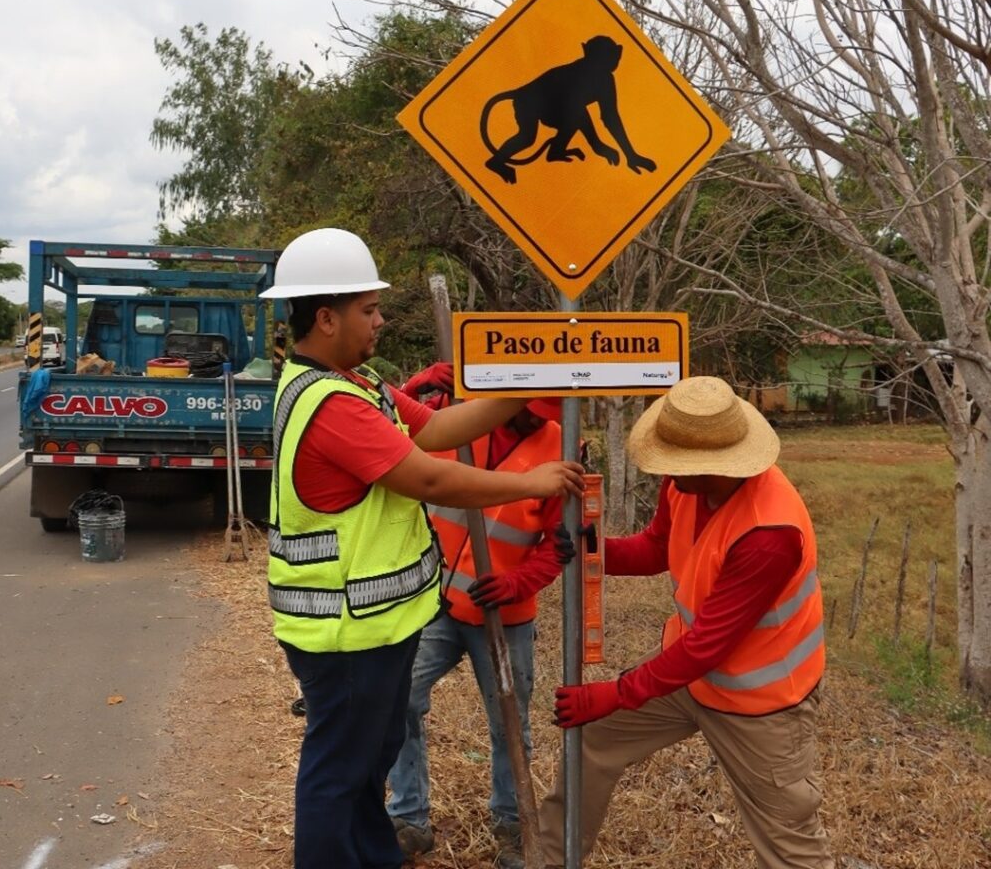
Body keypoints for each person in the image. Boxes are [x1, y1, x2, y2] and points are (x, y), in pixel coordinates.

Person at [259, 227, 585, 869]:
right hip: (345, 632)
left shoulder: (357, 384)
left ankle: (374, 855)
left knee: (366, 760)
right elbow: (428, 475)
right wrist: (530, 481)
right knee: (338, 772)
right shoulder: (332, 405)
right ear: (325, 318)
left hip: (376, 625)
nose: (381, 320)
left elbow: (436, 427)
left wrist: (533, 379)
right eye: (369, 309)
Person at [541, 375, 833, 869]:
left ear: (717, 463)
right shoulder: (685, 487)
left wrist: (614, 692)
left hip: (762, 707)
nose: (668, 474)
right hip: (690, 681)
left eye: (677, 464)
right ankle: (549, 859)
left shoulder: (769, 533)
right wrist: (594, 550)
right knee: (591, 743)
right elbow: (657, 547)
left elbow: (706, 646)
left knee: (789, 846)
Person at [386, 365, 575, 869]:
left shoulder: (564, 446)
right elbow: (385, 428)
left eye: (539, 417)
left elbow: (561, 546)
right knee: (399, 698)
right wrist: (415, 387)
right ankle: (408, 818)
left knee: (509, 724)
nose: (531, 423)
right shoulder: (455, 421)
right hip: (433, 606)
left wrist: (516, 583)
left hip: (504, 615)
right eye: (524, 414)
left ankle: (514, 828)